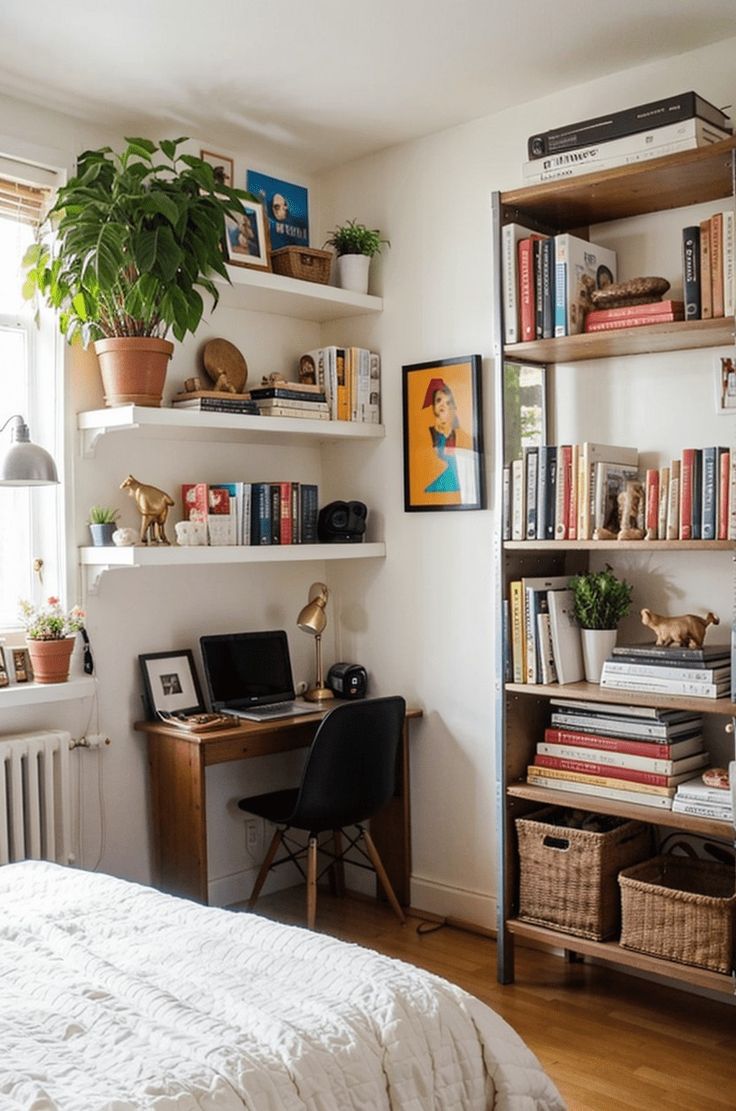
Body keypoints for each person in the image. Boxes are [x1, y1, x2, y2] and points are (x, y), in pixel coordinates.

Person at [422, 377, 472, 494]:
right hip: (433, 490)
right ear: (434, 407)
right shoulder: (427, 435)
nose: (442, 405)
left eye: (448, 402)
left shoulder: (463, 437)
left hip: (457, 492)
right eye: (439, 400)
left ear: (454, 408)